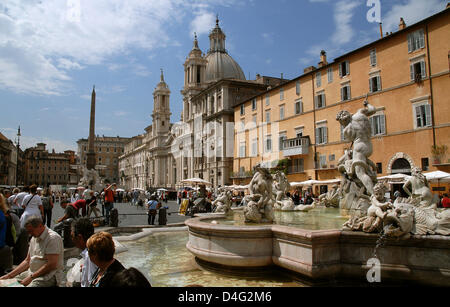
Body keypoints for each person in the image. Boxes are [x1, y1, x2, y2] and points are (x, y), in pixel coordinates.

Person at [0, 216, 64, 287]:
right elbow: (27, 261)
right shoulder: (34, 238)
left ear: (40, 226)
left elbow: (51, 264)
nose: (30, 234)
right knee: (5, 283)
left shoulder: (52, 238)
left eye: (31, 231)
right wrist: (9, 276)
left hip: (48, 275)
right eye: (28, 231)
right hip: (32, 272)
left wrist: (31, 278)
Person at [336, 99, 377, 195]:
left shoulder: (346, 129)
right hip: (369, 145)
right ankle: (369, 186)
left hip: (359, 147)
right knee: (364, 168)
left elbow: (350, 139)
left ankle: (373, 195)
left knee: (360, 173)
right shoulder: (360, 113)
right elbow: (373, 110)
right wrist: (367, 104)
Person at [71, 218, 97, 287]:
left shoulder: (90, 256)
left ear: (79, 237)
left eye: (72, 236)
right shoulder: (94, 251)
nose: (72, 239)